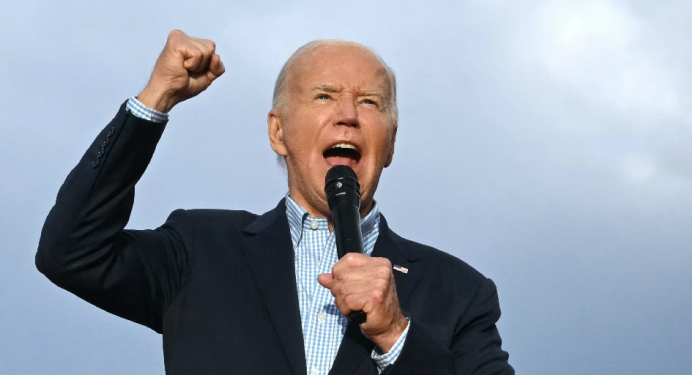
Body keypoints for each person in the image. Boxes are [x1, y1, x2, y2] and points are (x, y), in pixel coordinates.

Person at [36, 30, 514, 375]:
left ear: (390, 144)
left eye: (369, 102)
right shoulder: (201, 250)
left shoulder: (459, 292)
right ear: (278, 132)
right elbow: (72, 252)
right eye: (324, 96)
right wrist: (154, 101)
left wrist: (396, 338)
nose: (347, 115)